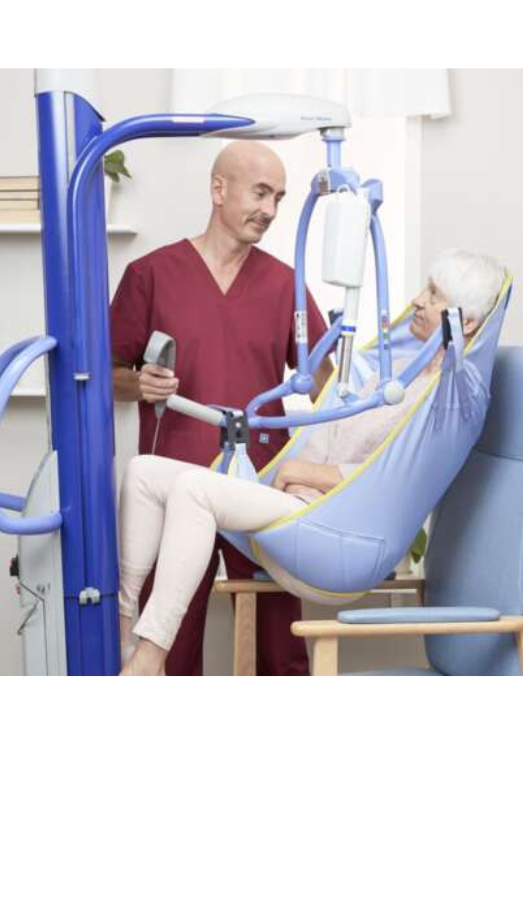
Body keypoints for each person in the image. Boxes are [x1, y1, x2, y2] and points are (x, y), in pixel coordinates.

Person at [117, 249, 507, 675]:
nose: (417, 300)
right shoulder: (394, 374)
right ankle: (124, 631)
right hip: (305, 509)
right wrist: (291, 475)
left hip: (343, 535)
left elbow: (397, 479)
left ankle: (150, 658)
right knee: (145, 473)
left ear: (465, 322)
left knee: (195, 490)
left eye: (434, 295)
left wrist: (301, 473)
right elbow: (332, 431)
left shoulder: (453, 400)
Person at [110, 140, 333, 675]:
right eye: (260, 193)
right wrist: (140, 384)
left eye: (278, 197)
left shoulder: (285, 285)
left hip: (258, 485)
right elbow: (106, 377)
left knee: (281, 647)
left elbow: (330, 387)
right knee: (169, 643)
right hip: (175, 484)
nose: (271, 210)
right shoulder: (151, 275)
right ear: (218, 190)